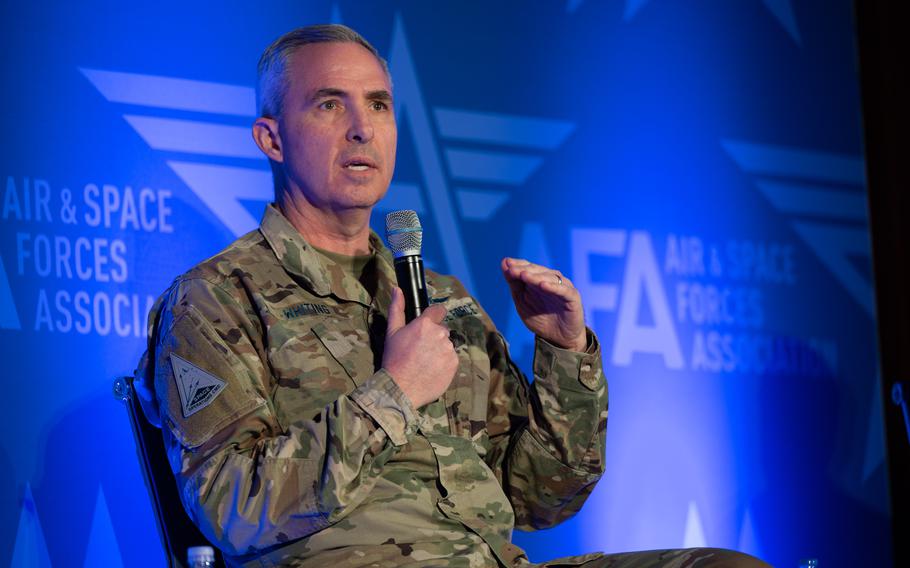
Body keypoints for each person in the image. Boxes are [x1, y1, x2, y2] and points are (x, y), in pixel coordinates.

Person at [136, 24, 768, 568]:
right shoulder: (215, 299)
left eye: (379, 105)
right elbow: (234, 507)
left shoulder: (437, 297)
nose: (363, 129)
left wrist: (564, 356)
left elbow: (539, 496)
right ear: (271, 139)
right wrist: (395, 393)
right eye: (330, 105)